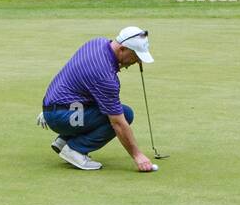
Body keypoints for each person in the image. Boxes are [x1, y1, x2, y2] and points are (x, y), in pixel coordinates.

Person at [37, 27, 159, 172]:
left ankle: (64, 141)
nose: (138, 61)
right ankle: (75, 149)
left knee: (101, 104)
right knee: (125, 114)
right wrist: (137, 155)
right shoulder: (105, 77)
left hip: (55, 106)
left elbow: (72, 75)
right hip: (63, 115)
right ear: (122, 49)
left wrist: (50, 105)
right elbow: (118, 123)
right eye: (136, 56)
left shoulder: (97, 43)